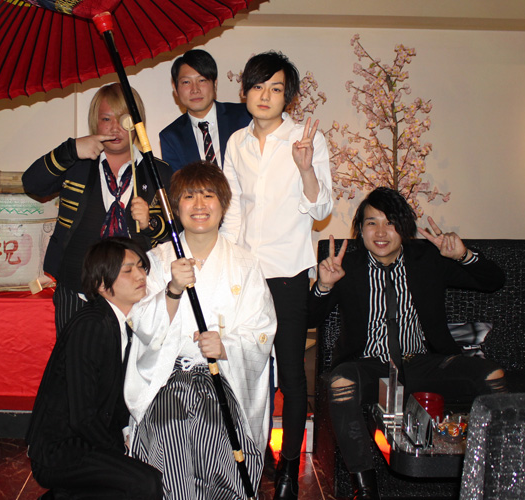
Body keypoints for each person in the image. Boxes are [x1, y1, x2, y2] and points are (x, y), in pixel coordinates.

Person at [309, 187, 507, 500]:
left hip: (422, 363)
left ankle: (499, 471)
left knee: (492, 375)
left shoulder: (426, 259)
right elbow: (309, 318)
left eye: (391, 223)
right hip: (369, 366)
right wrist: (323, 285)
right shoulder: (347, 266)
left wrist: (464, 256)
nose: (381, 232)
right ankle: (365, 489)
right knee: (340, 383)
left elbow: (494, 281)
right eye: (372, 223)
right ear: (360, 230)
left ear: (405, 228)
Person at [124, 161, 277, 499]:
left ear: (223, 205)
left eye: (208, 195)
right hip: (168, 378)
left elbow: (262, 330)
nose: (199, 205)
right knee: (169, 429)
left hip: (224, 379)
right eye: (189, 196)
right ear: (175, 207)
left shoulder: (245, 264)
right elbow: (140, 325)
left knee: (216, 430)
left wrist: (226, 346)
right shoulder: (156, 260)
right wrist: (172, 290)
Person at [220, 51, 333, 500]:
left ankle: (288, 464)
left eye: (276, 88)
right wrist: (226, 262)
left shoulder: (306, 140)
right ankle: (251, 455)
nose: (265, 96)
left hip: (288, 272)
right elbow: (232, 212)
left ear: (289, 97)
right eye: (257, 86)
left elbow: (321, 209)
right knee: (246, 371)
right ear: (244, 92)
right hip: (246, 274)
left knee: (290, 372)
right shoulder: (236, 143)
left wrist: (305, 167)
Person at [23, 84, 172, 335]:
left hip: (139, 294)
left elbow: (174, 236)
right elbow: (32, 184)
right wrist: (71, 149)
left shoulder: (158, 171)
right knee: (76, 357)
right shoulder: (77, 164)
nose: (115, 127)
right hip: (76, 288)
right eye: (106, 119)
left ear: (136, 123)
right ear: (95, 122)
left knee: (133, 360)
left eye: (123, 119)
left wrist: (151, 224)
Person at [26, 237, 163, 500]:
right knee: (145, 482)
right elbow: (82, 415)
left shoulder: (120, 323)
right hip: (60, 449)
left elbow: (117, 396)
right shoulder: (91, 325)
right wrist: (118, 450)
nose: (140, 275)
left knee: (151, 474)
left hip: (87, 439)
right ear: (101, 284)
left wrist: (127, 435)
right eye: (128, 270)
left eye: (141, 266)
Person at [159, 49, 251, 172]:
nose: (195, 89)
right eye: (186, 82)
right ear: (175, 89)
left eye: (202, 80)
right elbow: (177, 182)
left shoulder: (245, 116)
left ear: (215, 84)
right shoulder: (171, 137)